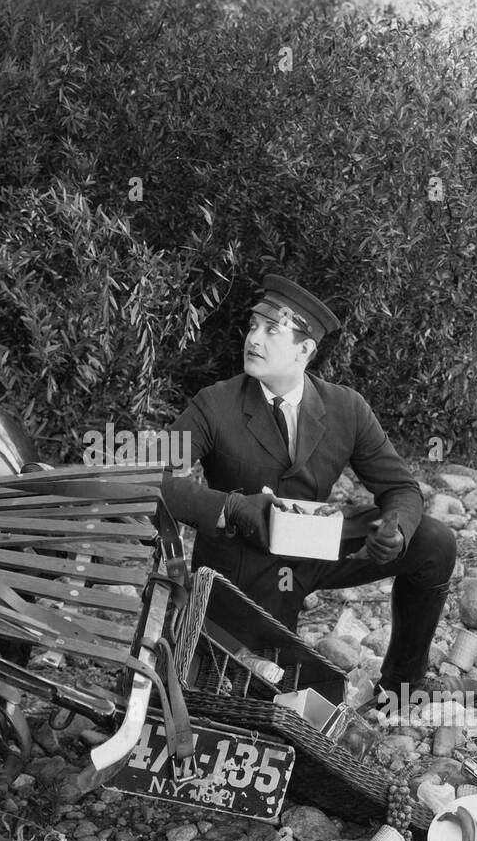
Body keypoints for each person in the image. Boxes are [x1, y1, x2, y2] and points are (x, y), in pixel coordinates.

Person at [159, 274, 456, 699]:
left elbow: (403, 489)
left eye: (270, 330)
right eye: (252, 326)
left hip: (314, 548)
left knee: (433, 541)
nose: (253, 339)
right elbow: (153, 479)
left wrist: (395, 529)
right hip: (242, 568)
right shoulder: (215, 404)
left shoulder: (346, 408)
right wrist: (232, 508)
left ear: (304, 350)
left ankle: (402, 688)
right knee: (275, 698)